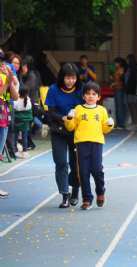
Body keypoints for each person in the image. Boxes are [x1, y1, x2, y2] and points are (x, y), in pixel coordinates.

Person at [65, 82, 114, 210]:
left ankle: (100, 191)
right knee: (83, 172)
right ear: (83, 96)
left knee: (97, 170)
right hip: (81, 143)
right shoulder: (78, 109)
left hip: (97, 143)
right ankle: (87, 199)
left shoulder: (102, 110)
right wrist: (69, 118)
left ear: (98, 97)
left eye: (94, 94)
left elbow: (104, 129)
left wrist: (110, 125)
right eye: (88, 94)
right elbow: (70, 127)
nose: (91, 96)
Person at [45, 63, 83, 208]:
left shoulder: (81, 89)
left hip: (76, 132)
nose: (70, 81)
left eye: (73, 78)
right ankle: (64, 194)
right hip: (59, 130)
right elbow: (50, 112)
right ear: (62, 77)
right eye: (67, 78)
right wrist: (64, 118)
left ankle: (75, 191)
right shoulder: (53, 89)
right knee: (61, 162)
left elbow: (88, 105)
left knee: (76, 163)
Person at [0, 48, 19, 198]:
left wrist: (11, 79)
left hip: (3, 114)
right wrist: (7, 82)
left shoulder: (5, 73)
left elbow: (15, 96)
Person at [13, 88, 33, 158]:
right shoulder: (28, 100)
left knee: (15, 137)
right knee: (25, 137)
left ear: (19, 93)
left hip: (17, 121)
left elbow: (13, 109)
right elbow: (30, 110)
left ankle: (15, 151)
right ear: (27, 94)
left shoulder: (16, 101)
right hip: (25, 122)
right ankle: (25, 151)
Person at [110, 57, 127, 129]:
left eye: (116, 63)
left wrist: (114, 84)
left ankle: (121, 124)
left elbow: (120, 80)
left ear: (119, 63)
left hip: (119, 89)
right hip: (117, 89)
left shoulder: (121, 70)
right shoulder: (117, 70)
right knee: (118, 106)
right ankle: (119, 123)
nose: (115, 64)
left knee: (119, 106)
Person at [125, 54, 137, 130]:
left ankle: (135, 122)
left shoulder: (133, 69)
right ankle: (134, 122)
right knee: (132, 106)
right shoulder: (131, 68)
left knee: (133, 107)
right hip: (131, 90)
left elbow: (132, 80)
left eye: (127, 60)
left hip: (132, 90)